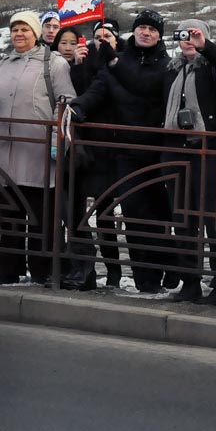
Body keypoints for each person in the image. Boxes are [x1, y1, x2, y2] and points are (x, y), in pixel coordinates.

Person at [70, 9, 174, 292]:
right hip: (126, 149)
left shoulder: (165, 64)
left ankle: (170, 267)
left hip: (156, 148)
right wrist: (78, 106)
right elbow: (98, 90)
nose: (146, 33)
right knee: (134, 215)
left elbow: (146, 87)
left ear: (159, 36)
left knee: (160, 217)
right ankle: (146, 281)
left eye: (153, 30)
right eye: (142, 27)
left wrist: (115, 62)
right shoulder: (117, 62)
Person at [0, 11, 76, 285]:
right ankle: (8, 270)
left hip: (39, 153)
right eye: (14, 29)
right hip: (4, 153)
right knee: (10, 214)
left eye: (25, 29)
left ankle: (43, 271)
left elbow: (66, 103)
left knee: (42, 215)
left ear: (36, 33)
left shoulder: (54, 64)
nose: (18, 34)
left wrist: (55, 140)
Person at [161, 19, 216, 306]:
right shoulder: (171, 69)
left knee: (215, 220)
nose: (188, 39)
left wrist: (206, 47)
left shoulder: (213, 69)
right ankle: (189, 282)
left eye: (195, 34)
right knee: (182, 220)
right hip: (174, 151)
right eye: (184, 35)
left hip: (208, 150)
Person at [61, 18, 123, 289]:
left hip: (109, 148)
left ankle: (114, 270)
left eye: (107, 36)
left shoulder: (121, 64)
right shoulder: (85, 64)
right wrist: (77, 65)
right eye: (98, 36)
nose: (102, 41)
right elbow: (76, 93)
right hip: (82, 147)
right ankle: (83, 269)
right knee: (74, 210)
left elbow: (111, 92)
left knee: (106, 213)